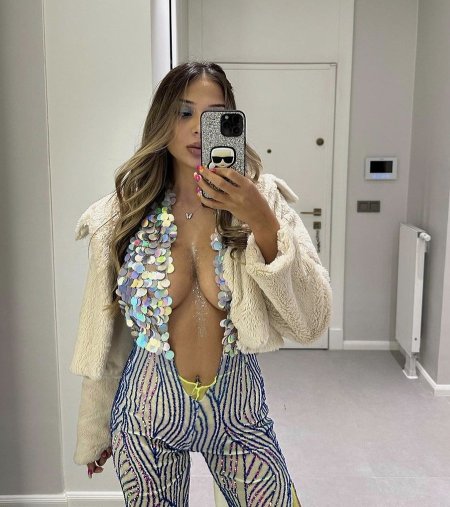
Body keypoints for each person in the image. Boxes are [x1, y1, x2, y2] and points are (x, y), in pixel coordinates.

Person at [70, 61, 332, 506]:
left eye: (214, 116)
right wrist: (96, 427)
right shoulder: (121, 213)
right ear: (162, 119)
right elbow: (102, 333)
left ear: (231, 124)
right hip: (146, 411)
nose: (197, 129)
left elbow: (311, 321)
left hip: (238, 409)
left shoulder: (264, 201)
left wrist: (263, 223)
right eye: (184, 112)